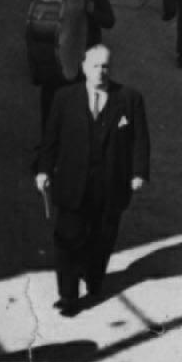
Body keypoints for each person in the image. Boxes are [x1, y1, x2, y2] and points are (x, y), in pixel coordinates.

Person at [35, 45, 149, 316]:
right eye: (95, 66)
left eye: (106, 66)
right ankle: (68, 297)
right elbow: (50, 139)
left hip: (111, 185)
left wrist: (138, 173)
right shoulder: (64, 98)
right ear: (84, 67)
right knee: (67, 240)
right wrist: (43, 170)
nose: (101, 72)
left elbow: (140, 141)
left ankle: (94, 275)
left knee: (102, 238)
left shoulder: (129, 99)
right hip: (73, 183)